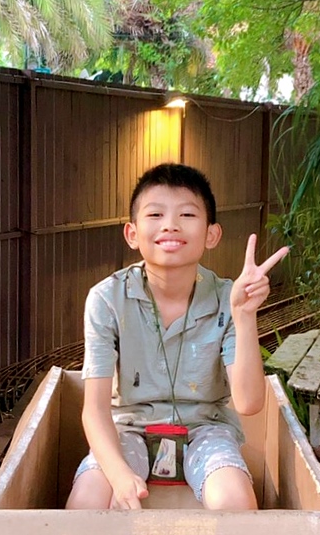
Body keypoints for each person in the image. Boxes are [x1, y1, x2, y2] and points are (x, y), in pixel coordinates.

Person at [66, 163, 288, 511]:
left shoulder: (229, 298)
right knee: (86, 501)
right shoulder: (106, 299)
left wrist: (245, 317)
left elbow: (248, 404)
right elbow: (94, 411)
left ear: (211, 234)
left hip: (206, 429)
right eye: (155, 213)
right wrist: (120, 475)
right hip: (128, 428)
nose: (170, 224)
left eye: (187, 214)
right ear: (132, 234)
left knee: (236, 503)